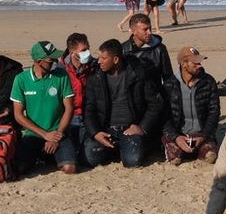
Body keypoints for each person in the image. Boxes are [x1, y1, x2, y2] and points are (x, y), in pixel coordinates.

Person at [83, 39, 164, 168]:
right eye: (99, 57)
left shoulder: (139, 73)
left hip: (129, 129)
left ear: (115, 60)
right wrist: (95, 133)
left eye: (104, 58)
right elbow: (89, 109)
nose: (99, 61)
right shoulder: (95, 77)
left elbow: (155, 104)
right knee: (90, 159)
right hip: (105, 129)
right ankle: (115, 150)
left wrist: (142, 127)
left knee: (133, 161)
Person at [10, 40, 77, 175]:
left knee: (70, 169)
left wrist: (57, 136)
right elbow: (18, 115)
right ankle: (43, 155)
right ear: (39, 61)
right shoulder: (21, 79)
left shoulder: (62, 76)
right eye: (50, 60)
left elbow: (69, 108)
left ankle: (52, 155)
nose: (55, 62)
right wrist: (45, 135)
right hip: (33, 134)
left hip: (58, 132)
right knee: (20, 169)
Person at [161, 46, 220, 165]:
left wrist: (203, 136)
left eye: (200, 62)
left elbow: (214, 112)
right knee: (175, 159)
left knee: (210, 157)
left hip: (201, 134)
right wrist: (176, 137)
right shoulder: (169, 85)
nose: (200, 66)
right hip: (178, 134)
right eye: (195, 63)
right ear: (183, 64)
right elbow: (163, 116)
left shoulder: (208, 81)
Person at [61, 32, 98, 158]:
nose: (87, 52)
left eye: (88, 48)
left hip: (88, 115)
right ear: (72, 52)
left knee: (89, 157)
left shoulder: (94, 66)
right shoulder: (60, 69)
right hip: (67, 117)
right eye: (83, 50)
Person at [121, 13, 174, 88]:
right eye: (145, 29)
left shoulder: (159, 49)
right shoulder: (123, 50)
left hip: (155, 96)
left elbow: (168, 77)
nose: (149, 32)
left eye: (150, 28)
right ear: (134, 31)